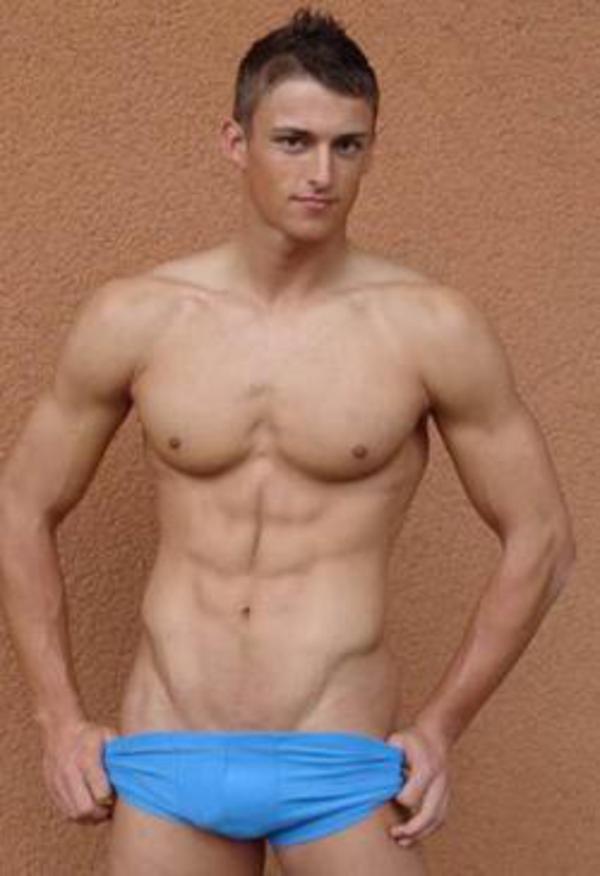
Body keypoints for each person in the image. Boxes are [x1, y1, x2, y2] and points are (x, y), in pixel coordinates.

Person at [0, 7, 575, 876]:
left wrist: (441, 725)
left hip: (339, 756)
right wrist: (58, 721)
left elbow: (544, 539)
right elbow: (21, 505)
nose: (322, 174)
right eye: (294, 141)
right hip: (172, 747)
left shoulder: (429, 328)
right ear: (236, 142)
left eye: (349, 146)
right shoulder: (139, 317)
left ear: (371, 151)